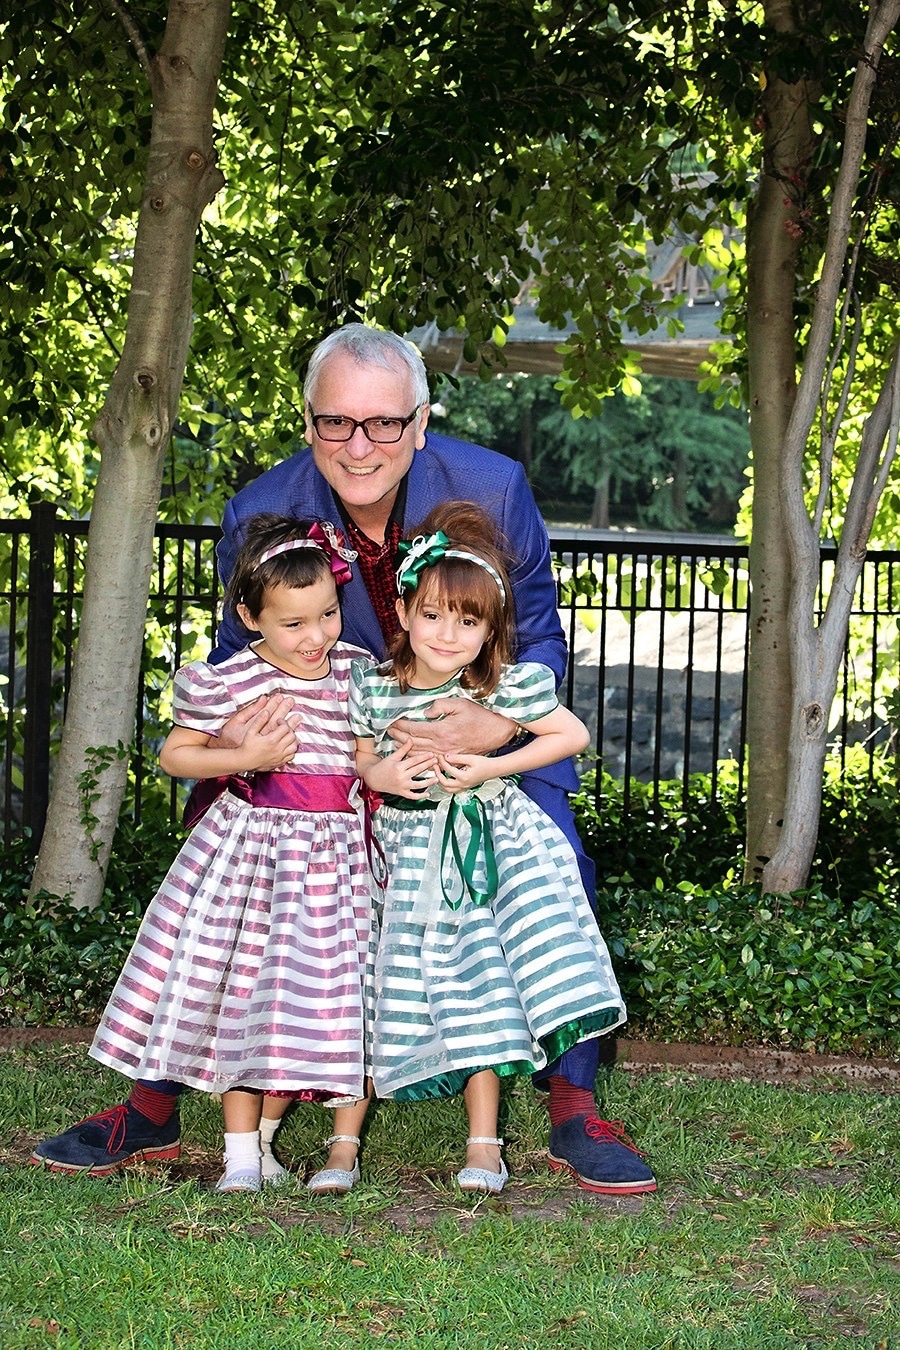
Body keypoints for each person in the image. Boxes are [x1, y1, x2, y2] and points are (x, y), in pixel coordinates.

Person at [33, 322, 656, 1195]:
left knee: (559, 861)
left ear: (421, 421)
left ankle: (572, 1104)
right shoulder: (263, 506)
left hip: (481, 736)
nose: (359, 446)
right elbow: (234, 654)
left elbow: (541, 635)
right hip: (332, 746)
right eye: (335, 424)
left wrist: (491, 726)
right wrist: (242, 751)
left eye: (382, 424)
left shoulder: (492, 487)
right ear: (308, 421)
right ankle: (152, 1108)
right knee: (228, 882)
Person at [34, 514, 379, 1193]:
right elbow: (174, 753)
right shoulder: (227, 680)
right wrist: (245, 754)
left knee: (312, 996)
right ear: (250, 617)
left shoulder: (356, 672)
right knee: (240, 990)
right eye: (294, 624)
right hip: (250, 858)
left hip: (331, 864)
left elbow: (370, 753)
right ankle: (241, 1156)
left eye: (328, 615)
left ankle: (273, 1140)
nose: (316, 637)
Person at [313, 502, 628, 1197]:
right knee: (369, 986)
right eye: (432, 615)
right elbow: (361, 757)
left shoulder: (498, 687)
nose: (447, 634)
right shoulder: (370, 685)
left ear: (490, 628)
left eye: (468, 620)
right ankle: (342, 1146)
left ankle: (484, 1145)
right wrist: (381, 774)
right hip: (396, 851)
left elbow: (568, 735)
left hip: (477, 854)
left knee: (477, 985)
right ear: (402, 609)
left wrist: (490, 764)